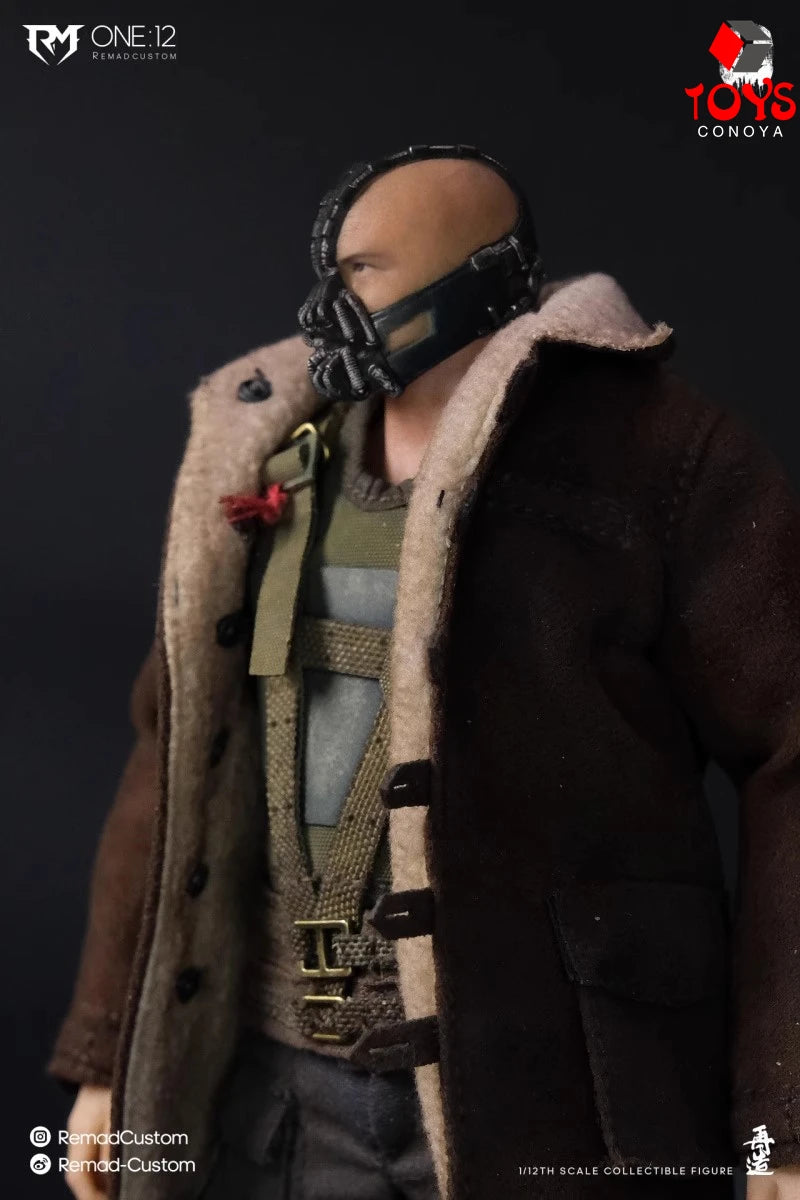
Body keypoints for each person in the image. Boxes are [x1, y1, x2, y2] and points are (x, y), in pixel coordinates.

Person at [50, 145, 800, 1199]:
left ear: (473, 279)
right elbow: (176, 758)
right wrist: (113, 1060)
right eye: (334, 273)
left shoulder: (655, 454)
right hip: (275, 1089)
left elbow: (788, 750)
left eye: (366, 274)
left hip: (553, 1087)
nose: (332, 307)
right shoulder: (276, 458)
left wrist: (781, 1116)